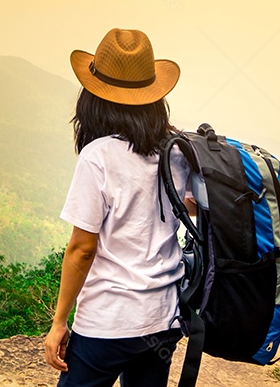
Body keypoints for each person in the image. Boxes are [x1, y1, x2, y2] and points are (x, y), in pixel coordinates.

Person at [43, 28, 195, 387]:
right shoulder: (176, 149)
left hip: (108, 323)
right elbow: (191, 206)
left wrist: (59, 321)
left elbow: (82, 249)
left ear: (95, 98)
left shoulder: (98, 156)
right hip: (163, 318)